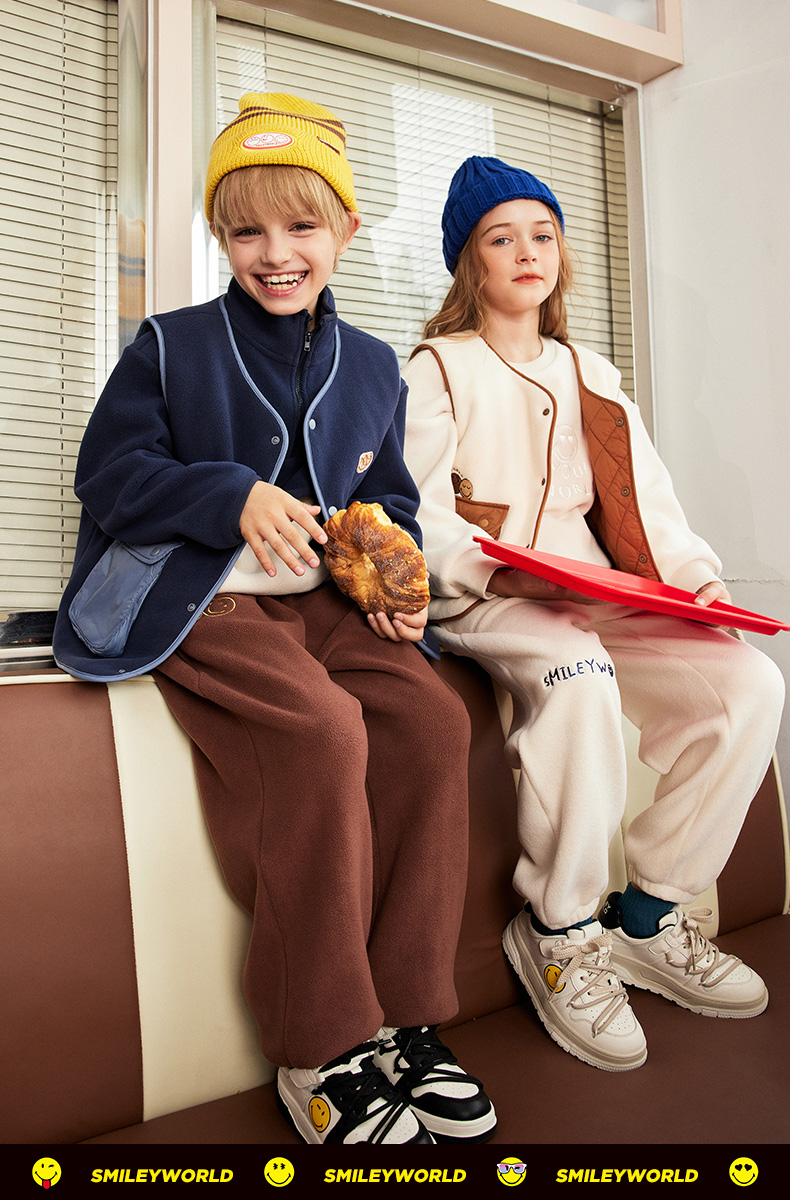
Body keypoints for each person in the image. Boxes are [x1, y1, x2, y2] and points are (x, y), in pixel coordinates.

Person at [53, 95, 497, 1144]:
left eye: (302, 225)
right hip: (204, 599)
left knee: (434, 723)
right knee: (322, 731)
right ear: (219, 235)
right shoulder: (169, 346)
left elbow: (389, 499)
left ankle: (404, 1018)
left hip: (328, 605)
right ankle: (319, 1044)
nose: (275, 252)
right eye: (246, 229)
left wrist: (389, 569)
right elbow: (108, 475)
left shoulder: (377, 367)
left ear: (345, 230)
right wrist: (230, 495)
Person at [402, 155, 785, 1073]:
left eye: (542, 234)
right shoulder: (436, 367)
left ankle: (648, 918)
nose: (526, 252)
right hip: (487, 595)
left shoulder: (594, 373)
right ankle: (561, 930)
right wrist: (490, 570)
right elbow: (415, 512)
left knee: (748, 685)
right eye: (501, 238)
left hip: (598, 591)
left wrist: (698, 583)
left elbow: (651, 507)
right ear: (470, 261)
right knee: (579, 675)